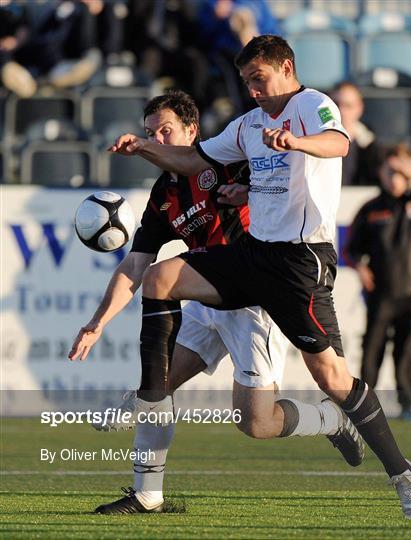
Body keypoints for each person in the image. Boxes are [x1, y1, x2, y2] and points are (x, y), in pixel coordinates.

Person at [108, 35, 411, 519]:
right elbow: (195, 159)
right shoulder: (249, 123)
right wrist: (145, 151)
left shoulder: (311, 106)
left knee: (332, 378)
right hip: (254, 254)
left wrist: (297, 142)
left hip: (300, 263)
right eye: (246, 83)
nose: (253, 90)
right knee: (159, 278)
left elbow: (338, 143)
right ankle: (152, 398)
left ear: (285, 66)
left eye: (258, 79)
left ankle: (403, 473)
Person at [69, 90, 364, 514]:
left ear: (192, 131)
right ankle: (147, 494)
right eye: (151, 133)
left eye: (166, 131)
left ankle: (330, 419)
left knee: (256, 424)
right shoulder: (162, 198)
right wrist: (97, 324)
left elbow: (285, 180)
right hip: (206, 300)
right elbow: (135, 267)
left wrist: (247, 190)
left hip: (253, 300)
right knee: (156, 387)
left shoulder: (231, 159)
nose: (157, 140)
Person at [343, 144, 411, 421]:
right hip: (380, 292)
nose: (394, 178)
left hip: (410, 290)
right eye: (390, 171)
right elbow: (351, 249)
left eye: (399, 172)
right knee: (372, 349)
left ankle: (408, 403)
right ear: (380, 172)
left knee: (406, 349)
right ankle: (364, 405)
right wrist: (360, 268)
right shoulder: (370, 209)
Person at [332, 81, 380, 186]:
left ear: (359, 108)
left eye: (348, 105)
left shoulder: (370, 145)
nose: (341, 110)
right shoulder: (314, 138)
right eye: (335, 104)